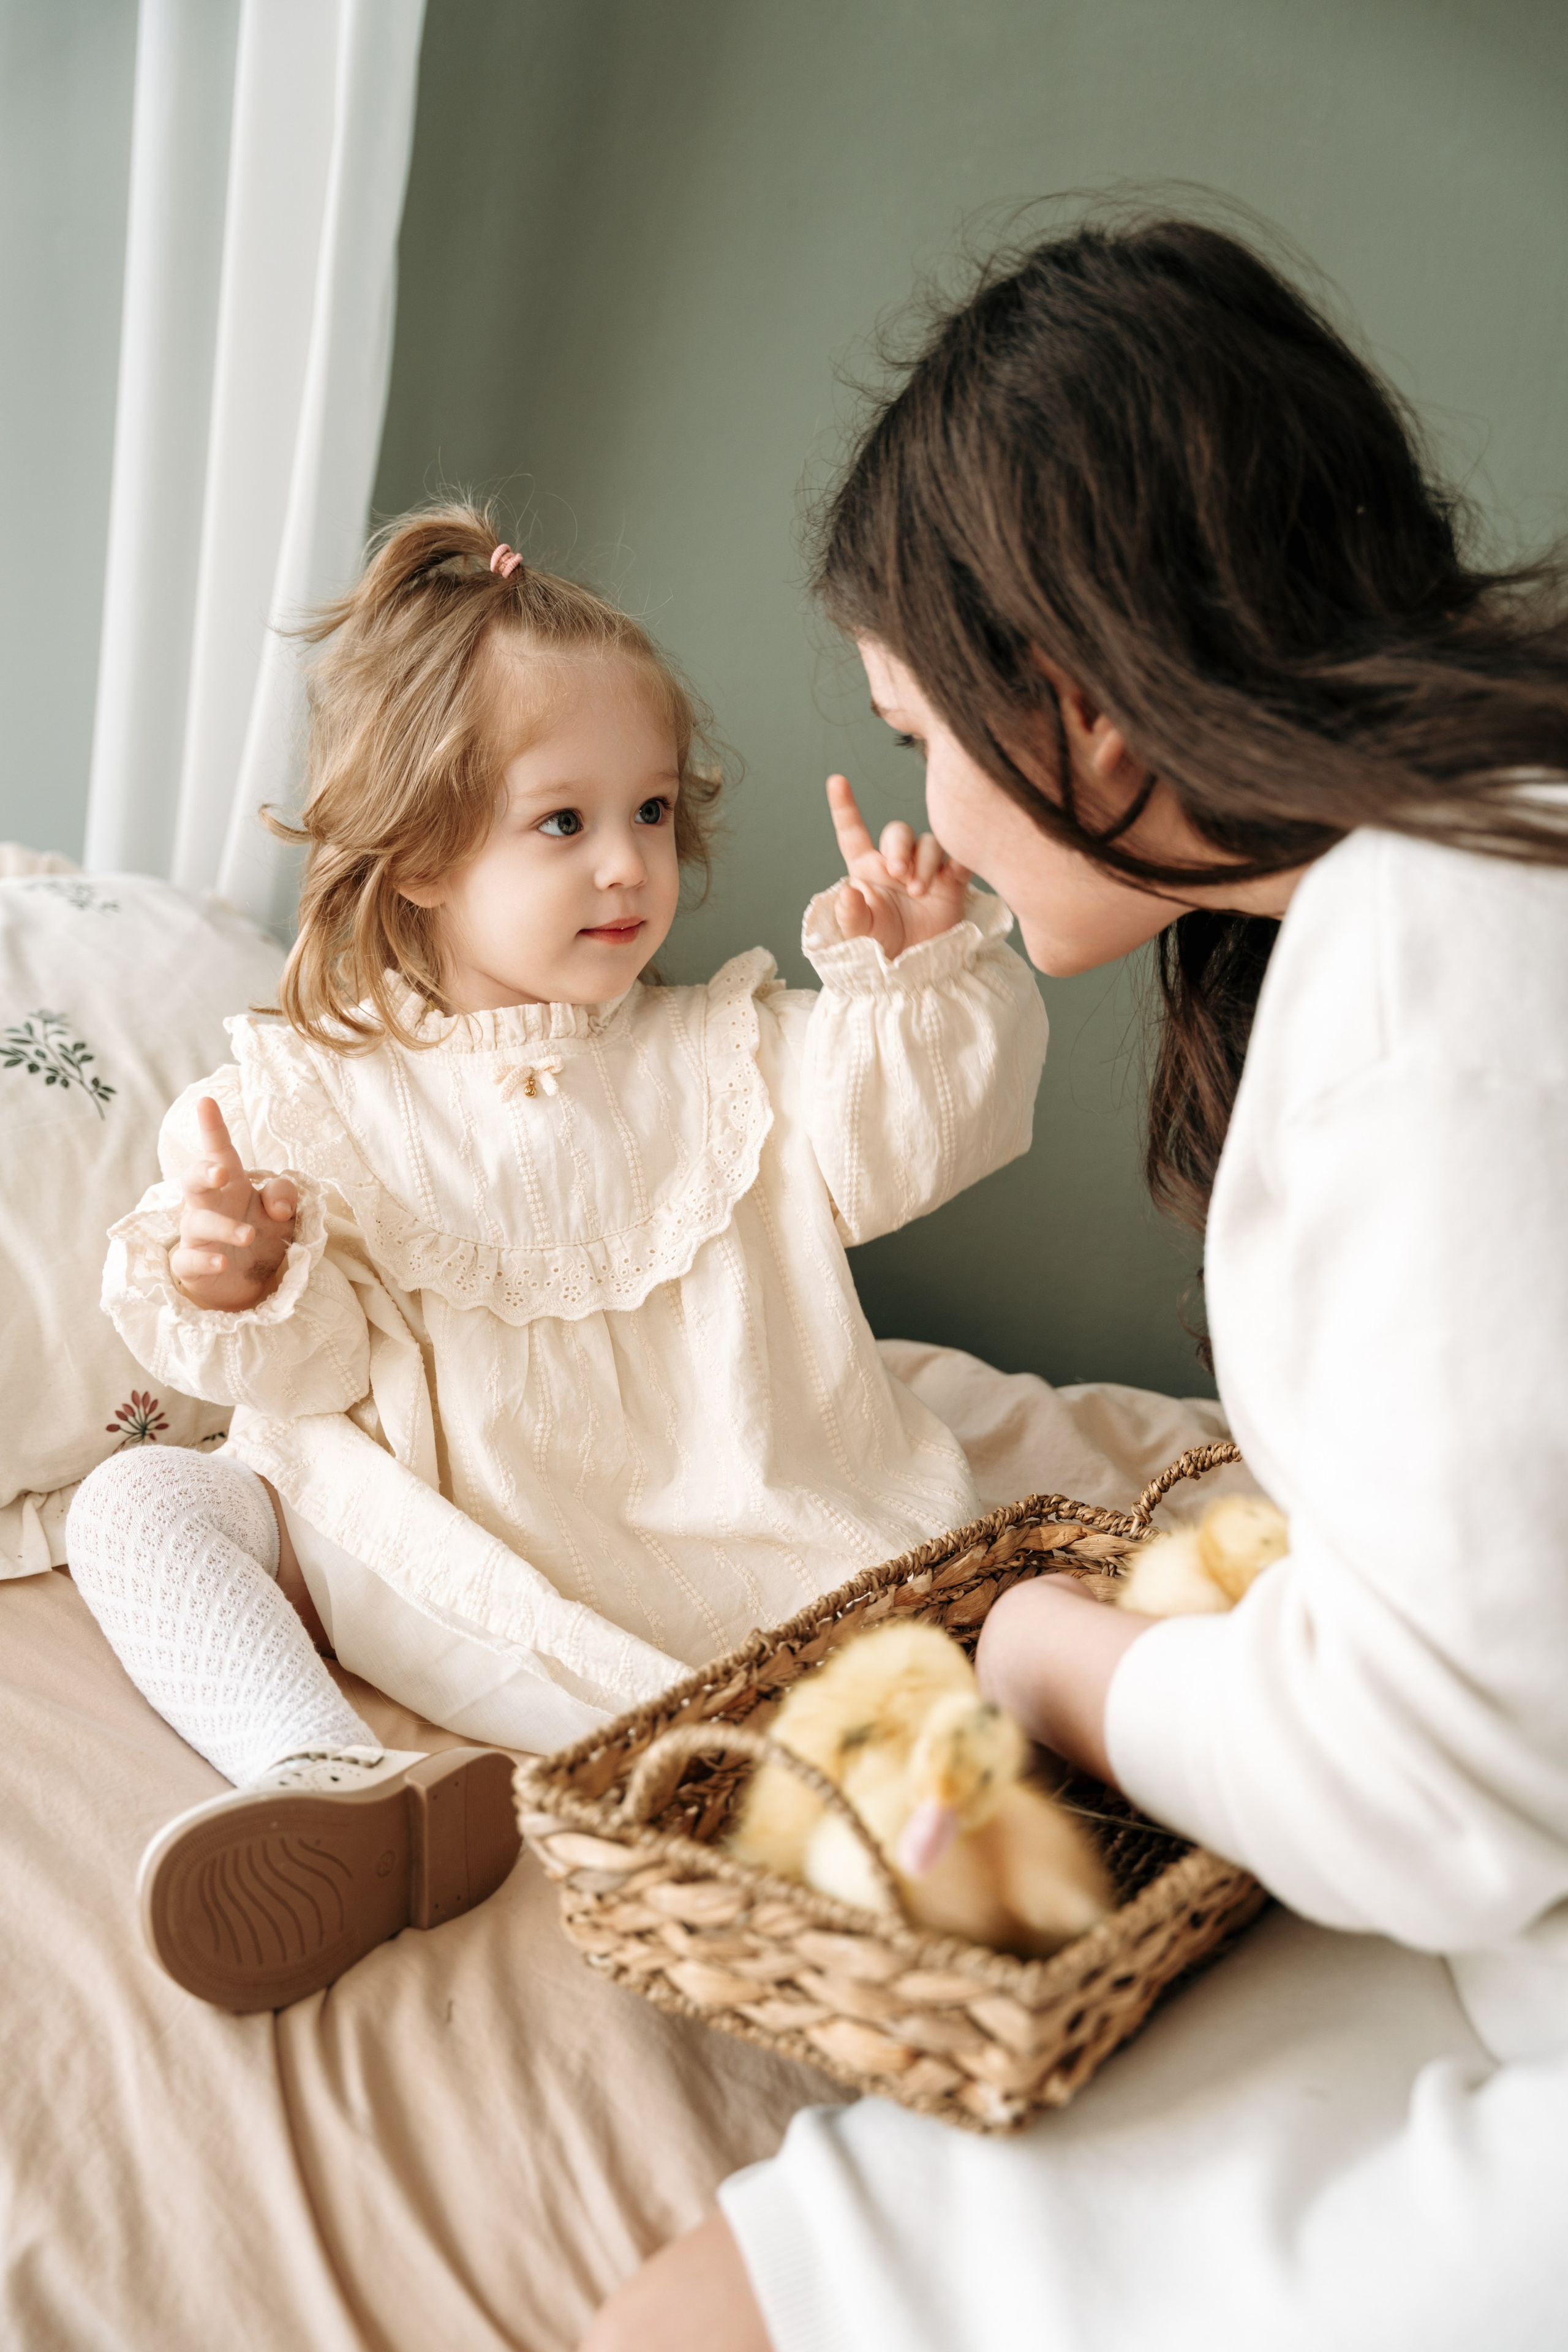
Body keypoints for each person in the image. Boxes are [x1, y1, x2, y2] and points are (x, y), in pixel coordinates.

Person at [586, 214, 1568, 2348]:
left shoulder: (1450, 967)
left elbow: (1442, 1787)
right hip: (1493, 1889)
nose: (931, 797)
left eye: (922, 727)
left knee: (694, 2319)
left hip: (1500, 1925)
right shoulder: (1479, 869)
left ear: (1089, 712)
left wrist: (1053, 1664)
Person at [65, 504, 1047, 2008]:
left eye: (650, 813)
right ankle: (318, 1771)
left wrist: (919, 975)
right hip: (399, 1541)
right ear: (417, 862)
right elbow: (314, 1369)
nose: (627, 869)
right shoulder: (310, 1094)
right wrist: (237, 1268)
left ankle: (803, 1784)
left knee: (926, 1663)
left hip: (685, 1545)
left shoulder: (730, 1054)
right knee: (136, 1501)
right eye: (563, 822)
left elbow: (910, 1136)